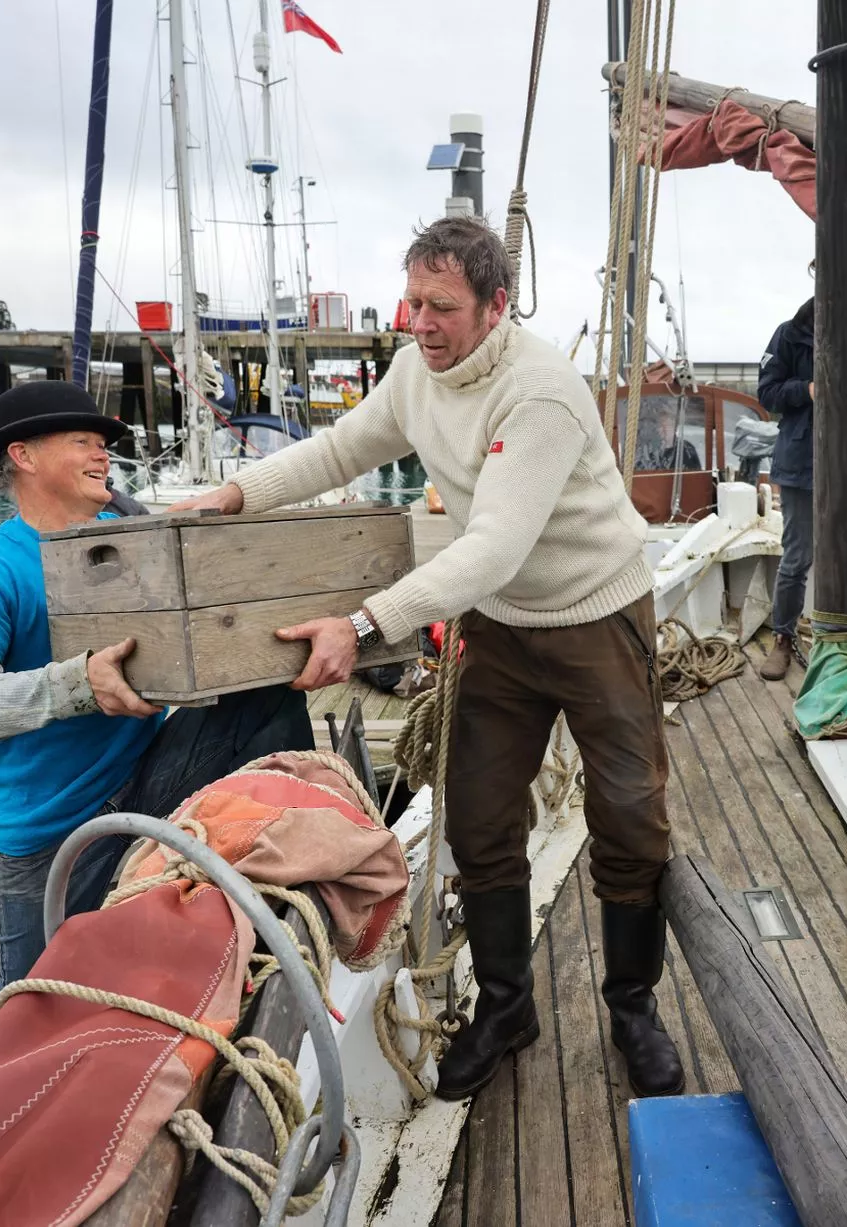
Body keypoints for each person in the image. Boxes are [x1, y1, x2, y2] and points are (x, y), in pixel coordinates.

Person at [170, 216, 684, 1100]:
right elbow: (342, 448)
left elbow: (492, 545)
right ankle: (505, 1004)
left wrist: (362, 625)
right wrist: (237, 492)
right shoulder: (416, 370)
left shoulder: (541, 393)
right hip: (501, 631)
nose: (419, 322)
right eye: (410, 301)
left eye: (441, 306)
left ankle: (632, 1006)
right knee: (479, 820)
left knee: (631, 818)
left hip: (596, 615)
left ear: (497, 308)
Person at [0, 381, 312, 1033]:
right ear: (22, 455)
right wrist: (79, 685)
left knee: (267, 692)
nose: (103, 455)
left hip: (146, 778)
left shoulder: (131, 536)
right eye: (83, 442)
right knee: (28, 1013)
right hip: (54, 831)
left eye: (104, 444)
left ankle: (292, 884)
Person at [754, 297, 847, 682]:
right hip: (804, 464)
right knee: (797, 557)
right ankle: (783, 637)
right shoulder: (788, 335)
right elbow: (767, 394)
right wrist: (809, 390)